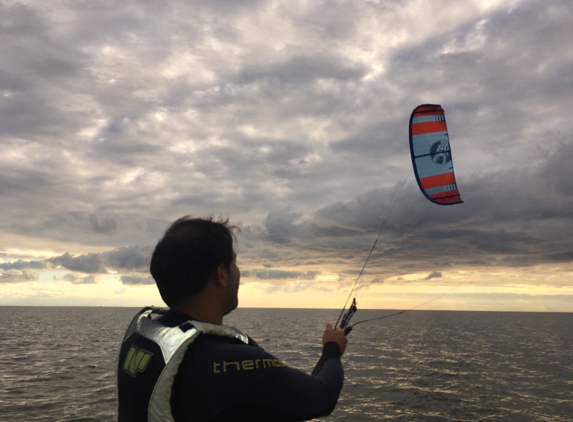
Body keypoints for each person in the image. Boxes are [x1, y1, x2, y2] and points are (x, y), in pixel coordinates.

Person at [117, 216, 348, 422]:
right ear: (221, 274)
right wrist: (332, 349)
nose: (238, 272)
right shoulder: (225, 362)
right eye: (234, 263)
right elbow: (321, 396)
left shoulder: (141, 336)